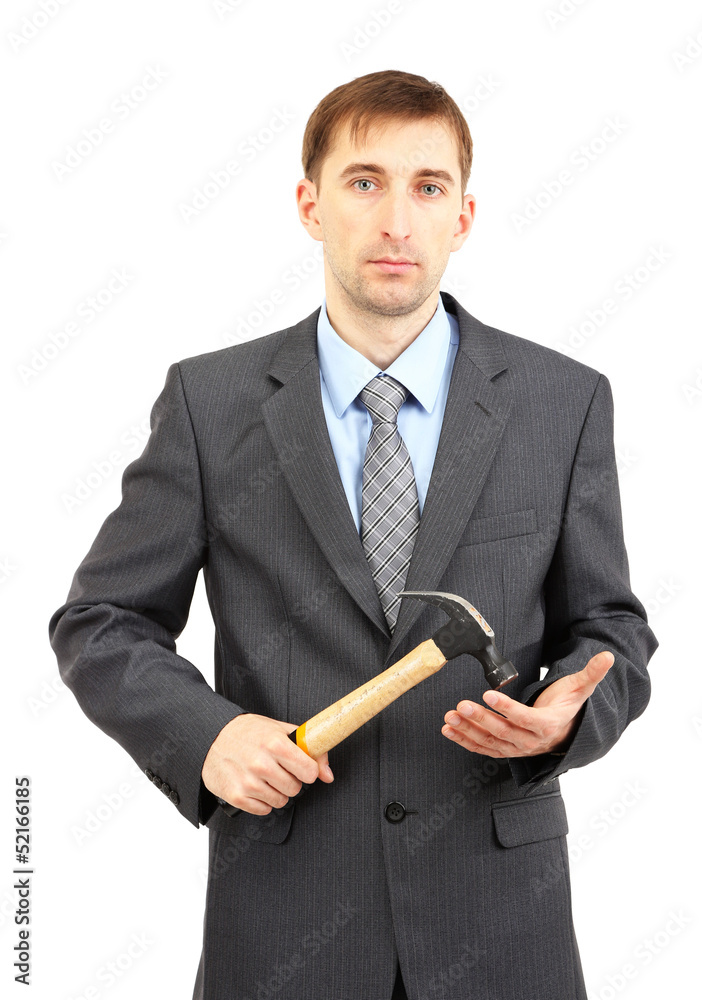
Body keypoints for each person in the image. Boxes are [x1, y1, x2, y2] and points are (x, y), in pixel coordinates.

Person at [48, 69, 658, 1000]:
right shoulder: (210, 405)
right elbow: (100, 620)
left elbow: (612, 629)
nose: (397, 222)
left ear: (464, 214)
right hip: (286, 924)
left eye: (429, 187)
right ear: (310, 204)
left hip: (500, 927)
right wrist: (207, 735)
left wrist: (568, 722)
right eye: (365, 182)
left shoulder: (562, 401)